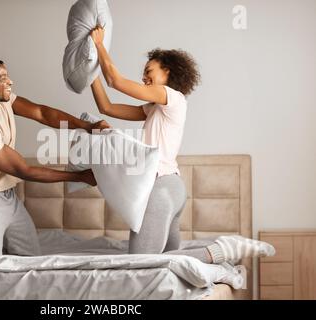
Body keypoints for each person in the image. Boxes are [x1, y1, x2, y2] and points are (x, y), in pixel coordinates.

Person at [88, 26, 275, 264]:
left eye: (149, 71)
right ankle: (220, 249)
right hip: (171, 188)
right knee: (168, 262)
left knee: (139, 263)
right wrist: (90, 73)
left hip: (161, 189)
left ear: (168, 70)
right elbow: (107, 108)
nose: (144, 77)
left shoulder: (173, 98)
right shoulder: (156, 108)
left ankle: (224, 249)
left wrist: (99, 44)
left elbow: (115, 81)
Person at [0, 56, 109, 259]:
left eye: (8, 76)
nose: (10, 81)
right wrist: (80, 176)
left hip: (8, 196)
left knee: (30, 258)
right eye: (2, 77)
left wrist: (87, 126)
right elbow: (25, 170)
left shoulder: (3, 102)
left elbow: (42, 113)